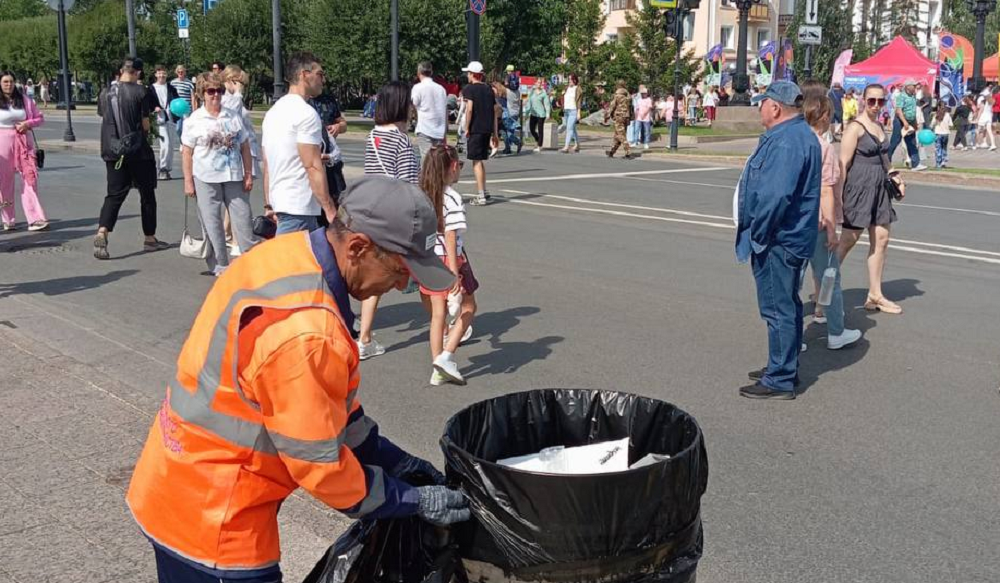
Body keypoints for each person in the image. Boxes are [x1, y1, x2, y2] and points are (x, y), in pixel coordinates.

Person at [126, 175, 470, 583]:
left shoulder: (289, 253)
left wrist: (398, 461)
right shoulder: (309, 333)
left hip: (174, 479)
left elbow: (328, 412)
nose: (401, 285)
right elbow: (320, 465)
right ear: (358, 248)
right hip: (217, 518)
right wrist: (409, 498)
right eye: (400, 270)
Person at [735, 81, 821, 400]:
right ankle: (783, 365)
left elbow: (775, 195)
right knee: (788, 304)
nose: (759, 108)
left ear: (775, 107)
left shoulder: (786, 141)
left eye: (763, 103)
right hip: (792, 238)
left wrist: (759, 232)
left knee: (777, 308)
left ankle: (780, 377)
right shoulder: (799, 135)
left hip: (779, 240)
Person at [357, 81, 420, 360]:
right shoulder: (402, 141)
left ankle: (365, 337)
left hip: (373, 209)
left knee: (376, 275)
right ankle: (447, 323)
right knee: (429, 267)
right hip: (396, 213)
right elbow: (407, 184)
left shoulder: (374, 135)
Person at [801, 84, 863, 350]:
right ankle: (836, 331)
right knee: (830, 276)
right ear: (825, 116)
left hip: (796, 221)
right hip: (817, 223)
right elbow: (826, 190)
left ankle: (792, 337)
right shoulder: (824, 148)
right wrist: (831, 228)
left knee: (793, 279)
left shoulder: (797, 142)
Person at [837, 83, 905, 315]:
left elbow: (885, 159)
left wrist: (896, 177)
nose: (876, 105)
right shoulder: (855, 128)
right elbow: (843, 164)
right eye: (872, 101)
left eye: (880, 101)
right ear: (863, 100)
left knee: (882, 238)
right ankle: (823, 290)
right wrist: (838, 197)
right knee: (848, 240)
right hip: (858, 189)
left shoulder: (879, 126)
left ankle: (874, 294)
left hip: (879, 189)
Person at [181, 72, 257, 276]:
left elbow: (245, 146)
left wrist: (248, 173)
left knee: (242, 218)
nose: (216, 95)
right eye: (211, 91)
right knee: (212, 222)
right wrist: (188, 181)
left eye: (219, 91)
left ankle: (252, 261)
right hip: (205, 177)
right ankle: (220, 265)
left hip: (233, 175)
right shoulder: (194, 120)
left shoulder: (232, 115)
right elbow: (187, 152)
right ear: (202, 94)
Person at [93, 58, 168, 259]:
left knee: (114, 194)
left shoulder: (105, 92)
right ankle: (150, 238)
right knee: (147, 194)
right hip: (137, 150)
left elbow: (103, 115)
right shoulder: (140, 92)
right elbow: (144, 124)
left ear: (121, 71)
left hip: (112, 149)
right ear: (138, 72)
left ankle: (103, 231)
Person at [419, 145, 479, 386]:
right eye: (460, 165)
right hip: (449, 258)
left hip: (428, 258)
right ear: (453, 167)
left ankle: (436, 365)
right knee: (469, 307)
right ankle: (446, 355)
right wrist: (454, 273)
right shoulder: (452, 197)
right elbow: (452, 236)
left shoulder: (423, 193)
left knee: (437, 315)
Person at [261, 52, 335, 235]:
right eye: (319, 74)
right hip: (299, 206)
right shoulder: (306, 114)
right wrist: (329, 209)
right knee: (290, 262)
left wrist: (269, 203)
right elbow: (312, 166)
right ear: (304, 75)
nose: (323, 80)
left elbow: (269, 164)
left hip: (282, 204)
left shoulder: (273, 113)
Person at [0, 71, 48, 232]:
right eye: (5, 82)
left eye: (11, 82)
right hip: (2, 142)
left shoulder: (25, 100)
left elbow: (40, 118)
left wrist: (27, 123)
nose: (9, 85)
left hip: (23, 142)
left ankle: (35, 219)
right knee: (4, 182)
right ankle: (8, 219)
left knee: (30, 178)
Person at [461, 61, 499, 206]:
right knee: (480, 160)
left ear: (472, 74)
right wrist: (495, 133)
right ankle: (483, 190)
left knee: (476, 161)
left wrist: (467, 127)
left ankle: (481, 194)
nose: (467, 76)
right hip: (487, 129)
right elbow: (494, 111)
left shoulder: (469, 89)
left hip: (476, 128)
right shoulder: (489, 89)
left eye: (468, 73)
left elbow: (469, 109)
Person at [309, 91, 348, 206]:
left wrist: (339, 126)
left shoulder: (328, 100)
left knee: (339, 201)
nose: (323, 80)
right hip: (312, 163)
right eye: (319, 75)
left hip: (331, 162)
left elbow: (342, 123)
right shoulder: (301, 102)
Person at [411, 61, 448, 163]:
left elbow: (414, 105)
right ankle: (437, 178)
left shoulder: (417, 88)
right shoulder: (441, 89)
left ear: (419, 73)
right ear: (431, 72)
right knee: (438, 160)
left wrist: (412, 119)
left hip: (424, 128)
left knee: (426, 159)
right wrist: (445, 131)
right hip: (439, 130)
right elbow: (445, 111)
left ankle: (427, 179)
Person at [887, 80, 925, 170]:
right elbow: (899, 110)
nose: (915, 87)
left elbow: (913, 111)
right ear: (908, 86)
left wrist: (915, 123)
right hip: (900, 121)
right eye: (913, 85)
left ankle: (916, 164)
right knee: (895, 141)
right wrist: (904, 122)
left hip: (910, 121)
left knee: (912, 142)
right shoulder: (901, 96)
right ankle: (886, 162)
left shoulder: (913, 96)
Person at [151, 65, 180, 180]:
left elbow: (177, 101)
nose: (161, 75)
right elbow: (149, 102)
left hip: (171, 118)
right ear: (156, 75)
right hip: (160, 119)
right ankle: (162, 168)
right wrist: (155, 108)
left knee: (171, 145)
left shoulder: (171, 88)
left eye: (163, 73)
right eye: (159, 73)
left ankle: (167, 169)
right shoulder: (151, 88)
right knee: (165, 145)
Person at [605, 79, 633, 159]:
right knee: (617, 135)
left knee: (621, 135)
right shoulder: (628, 96)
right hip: (626, 117)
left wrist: (607, 115)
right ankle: (611, 152)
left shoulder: (617, 95)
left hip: (619, 116)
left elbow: (612, 106)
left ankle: (628, 151)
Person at [525, 78, 551, 152]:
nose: (540, 84)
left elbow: (547, 104)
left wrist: (548, 113)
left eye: (541, 83)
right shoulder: (532, 92)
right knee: (532, 129)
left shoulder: (543, 93)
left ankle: (539, 146)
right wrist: (526, 113)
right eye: (538, 82)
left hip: (541, 114)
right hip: (533, 113)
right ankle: (537, 139)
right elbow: (529, 103)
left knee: (540, 130)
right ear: (535, 83)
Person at [170, 65, 195, 139]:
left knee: (186, 128)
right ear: (176, 72)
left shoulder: (189, 83)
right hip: (176, 109)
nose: (180, 73)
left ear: (185, 72)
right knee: (178, 129)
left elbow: (193, 97)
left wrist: (193, 109)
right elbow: (171, 96)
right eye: (179, 72)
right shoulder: (173, 83)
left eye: (182, 72)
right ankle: (182, 142)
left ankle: (185, 144)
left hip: (187, 109)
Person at [560, 74, 582, 153]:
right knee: (572, 128)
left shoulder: (578, 89)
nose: (569, 81)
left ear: (575, 80)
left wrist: (579, 113)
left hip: (573, 111)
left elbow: (579, 102)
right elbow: (563, 97)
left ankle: (566, 147)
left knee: (569, 128)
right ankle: (577, 145)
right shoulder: (566, 88)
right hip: (566, 111)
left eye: (570, 79)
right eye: (568, 79)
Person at [931, 103, 953, 168]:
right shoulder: (948, 115)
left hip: (938, 133)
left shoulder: (936, 114)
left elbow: (932, 124)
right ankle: (943, 162)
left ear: (938, 107)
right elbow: (951, 125)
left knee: (938, 148)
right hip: (946, 134)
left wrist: (931, 128)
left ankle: (938, 163)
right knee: (944, 148)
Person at [635, 85, 654, 150]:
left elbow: (649, 108)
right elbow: (637, 108)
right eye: (642, 93)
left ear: (646, 93)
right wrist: (636, 116)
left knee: (646, 131)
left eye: (644, 93)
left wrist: (644, 114)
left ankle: (646, 143)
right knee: (637, 130)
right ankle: (635, 141)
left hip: (646, 118)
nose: (643, 94)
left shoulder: (648, 100)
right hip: (639, 117)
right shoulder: (639, 100)